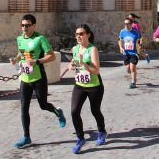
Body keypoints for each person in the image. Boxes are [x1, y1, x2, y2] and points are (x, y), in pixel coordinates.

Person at [11, 14, 66, 149]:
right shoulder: (19, 39)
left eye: (27, 25)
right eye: (23, 25)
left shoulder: (40, 39)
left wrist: (37, 61)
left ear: (34, 26)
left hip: (39, 78)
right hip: (25, 79)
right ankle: (26, 137)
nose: (24, 28)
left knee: (43, 105)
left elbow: (51, 56)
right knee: (24, 108)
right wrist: (16, 59)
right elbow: (21, 52)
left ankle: (58, 112)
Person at [68, 24, 107, 154]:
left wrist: (84, 64)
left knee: (95, 110)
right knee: (74, 111)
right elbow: (75, 61)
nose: (78, 36)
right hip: (80, 85)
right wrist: (72, 64)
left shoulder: (92, 49)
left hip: (94, 86)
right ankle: (80, 138)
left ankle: (102, 131)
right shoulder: (75, 48)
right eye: (77, 34)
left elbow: (96, 71)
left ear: (88, 35)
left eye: (81, 34)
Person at [119, 18, 142, 88]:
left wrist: (139, 46)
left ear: (131, 24)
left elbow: (140, 40)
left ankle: (133, 82)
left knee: (132, 67)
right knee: (128, 68)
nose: (125, 25)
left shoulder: (136, 32)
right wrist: (121, 47)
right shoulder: (122, 31)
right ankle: (131, 72)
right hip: (126, 53)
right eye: (124, 23)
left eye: (127, 24)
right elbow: (120, 40)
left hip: (134, 53)